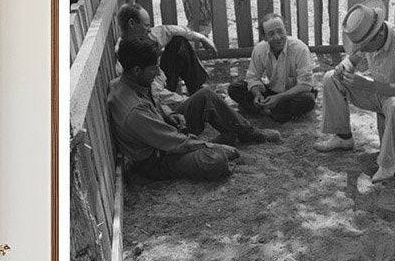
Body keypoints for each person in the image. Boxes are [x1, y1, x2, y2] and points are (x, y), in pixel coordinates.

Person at [107, 36, 280, 182]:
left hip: (163, 135)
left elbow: (154, 103)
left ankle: (248, 132)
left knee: (205, 95)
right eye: (154, 68)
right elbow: (174, 143)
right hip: (157, 158)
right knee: (216, 160)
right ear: (137, 70)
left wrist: (170, 113)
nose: (159, 73)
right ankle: (220, 148)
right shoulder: (135, 112)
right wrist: (211, 145)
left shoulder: (129, 82)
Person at [313, 0, 395, 183]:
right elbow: (353, 59)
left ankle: (389, 164)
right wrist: (344, 66)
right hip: (381, 94)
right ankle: (343, 137)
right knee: (331, 78)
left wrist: (367, 85)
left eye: (363, 45)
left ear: (379, 34)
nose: (361, 49)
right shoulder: (369, 35)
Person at [227, 13, 316, 123]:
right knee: (235, 88)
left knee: (307, 100)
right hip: (271, 93)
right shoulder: (260, 49)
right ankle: (275, 111)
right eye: (271, 34)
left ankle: (266, 111)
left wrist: (279, 98)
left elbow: (306, 85)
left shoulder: (300, 49)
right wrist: (257, 94)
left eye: (280, 31)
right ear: (264, 37)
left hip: (293, 94)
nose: (277, 37)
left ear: (286, 30)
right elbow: (252, 77)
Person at [117, 3, 216, 96]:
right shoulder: (124, 54)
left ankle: (198, 89)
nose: (149, 29)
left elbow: (172, 30)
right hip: (156, 92)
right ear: (131, 23)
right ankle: (200, 96)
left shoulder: (148, 35)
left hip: (161, 80)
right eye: (146, 25)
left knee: (179, 41)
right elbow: (152, 93)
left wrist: (202, 38)